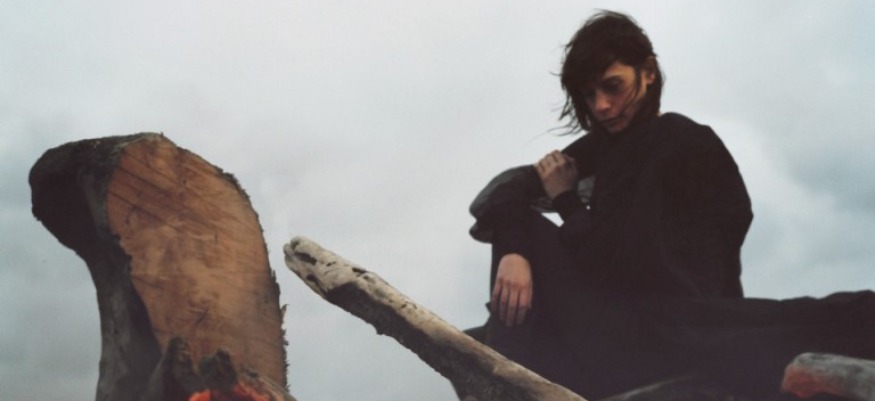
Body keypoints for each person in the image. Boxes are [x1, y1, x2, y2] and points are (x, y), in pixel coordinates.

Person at [468, 11, 875, 399]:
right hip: (617, 324)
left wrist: (566, 201)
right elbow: (505, 191)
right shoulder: (609, 146)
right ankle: (502, 376)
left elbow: (625, 264)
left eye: (612, 86)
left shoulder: (686, 144)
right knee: (519, 229)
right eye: (589, 95)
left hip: (655, 335)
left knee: (831, 319)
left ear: (648, 72)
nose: (601, 106)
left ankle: (501, 383)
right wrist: (515, 251)